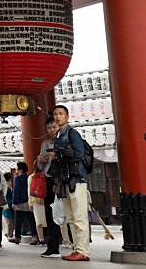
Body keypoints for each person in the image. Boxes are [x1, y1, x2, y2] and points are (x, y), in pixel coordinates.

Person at [50, 104, 91, 261]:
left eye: (61, 114)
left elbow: (79, 154)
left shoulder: (73, 133)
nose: (58, 116)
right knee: (71, 218)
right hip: (65, 179)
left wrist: (61, 152)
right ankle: (76, 249)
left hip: (77, 178)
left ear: (67, 117)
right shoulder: (58, 135)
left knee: (79, 217)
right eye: (55, 114)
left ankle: (83, 251)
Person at [36, 117, 62, 259]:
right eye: (49, 128)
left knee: (67, 214)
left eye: (54, 127)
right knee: (50, 214)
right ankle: (52, 247)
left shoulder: (64, 141)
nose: (51, 130)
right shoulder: (45, 144)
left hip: (60, 180)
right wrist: (42, 160)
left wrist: (56, 156)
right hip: (48, 180)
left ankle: (76, 245)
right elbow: (39, 166)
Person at [12, 161, 38, 244]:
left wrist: (14, 202)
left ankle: (17, 237)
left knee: (18, 221)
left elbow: (16, 190)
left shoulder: (17, 178)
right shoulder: (29, 177)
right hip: (29, 201)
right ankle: (35, 237)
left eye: (17, 168)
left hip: (20, 202)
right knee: (31, 220)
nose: (16, 169)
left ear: (20, 170)